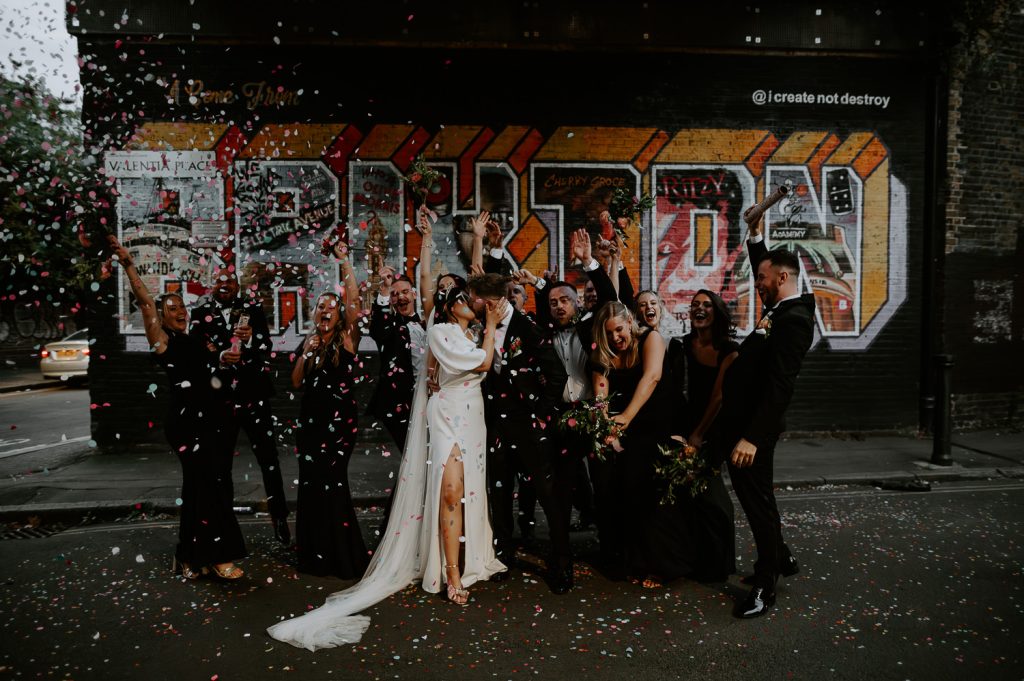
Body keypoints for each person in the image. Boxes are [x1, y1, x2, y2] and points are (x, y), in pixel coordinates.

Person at [266, 284, 507, 649]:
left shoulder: (470, 333)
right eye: (463, 299)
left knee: (468, 494)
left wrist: (477, 337)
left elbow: (470, 364)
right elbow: (484, 362)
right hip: (443, 418)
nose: (471, 304)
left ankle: (468, 557)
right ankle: (450, 573)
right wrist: (490, 325)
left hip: (471, 416)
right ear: (448, 307)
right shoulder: (443, 331)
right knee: (450, 492)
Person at [109, 237, 246, 581]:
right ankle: (217, 556)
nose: (180, 311)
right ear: (162, 317)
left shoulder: (196, 339)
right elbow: (144, 304)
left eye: (181, 306)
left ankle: (187, 556)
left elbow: (211, 370)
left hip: (214, 420)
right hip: (187, 424)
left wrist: (225, 360)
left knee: (203, 487)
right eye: (171, 309)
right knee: (209, 487)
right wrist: (128, 265)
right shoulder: (163, 341)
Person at [717, 220, 815, 618]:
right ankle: (782, 557)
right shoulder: (780, 305)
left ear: (784, 277)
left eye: (762, 277)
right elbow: (768, 265)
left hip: (754, 432)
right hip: (740, 424)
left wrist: (753, 438)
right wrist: (756, 236)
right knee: (756, 499)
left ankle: (765, 584)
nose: (757, 282)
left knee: (758, 505)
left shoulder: (793, 321)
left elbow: (780, 388)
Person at [467, 272, 573, 594]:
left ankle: (561, 561)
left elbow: (557, 374)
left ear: (493, 301)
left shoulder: (528, 328)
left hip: (529, 426)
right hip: (494, 426)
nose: (472, 305)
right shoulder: (479, 329)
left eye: (477, 300)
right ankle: (503, 554)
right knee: (498, 493)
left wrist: (542, 415)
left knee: (547, 495)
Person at [642, 289, 739, 585]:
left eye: (706, 305)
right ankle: (679, 561)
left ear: (717, 312)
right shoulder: (680, 346)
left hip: (711, 430)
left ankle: (715, 565)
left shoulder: (729, 350)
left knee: (713, 500)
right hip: (681, 426)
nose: (699, 309)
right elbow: (668, 388)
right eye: (695, 305)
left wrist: (697, 436)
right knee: (678, 498)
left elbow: (719, 397)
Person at [190, 266, 290, 545]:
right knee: (221, 464)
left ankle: (279, 517)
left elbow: (266, 346)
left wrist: (249, 340)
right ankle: (226, 525)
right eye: (219, 280)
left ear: (237, 285)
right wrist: (219, 357)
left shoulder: (252, 310)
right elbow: (195, 355)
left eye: (229, 281)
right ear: (212, 285)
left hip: (253, 394)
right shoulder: (200, 314)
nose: (225, 285)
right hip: (220, 399)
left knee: (269, 459)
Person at [290, 248, 369, 579]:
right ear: (314, 313)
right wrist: (304, 355)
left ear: (339, 317)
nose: (326, 311)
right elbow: (295, 384)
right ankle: (313, 555)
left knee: (333, 483)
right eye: (321, 307)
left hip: (339, 425)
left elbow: (353, 300)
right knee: (311, 485)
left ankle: (342, 554)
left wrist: (344, 261)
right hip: (310, 423)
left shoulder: (347, 340)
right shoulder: (308, 343)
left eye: (331, 308)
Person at [589, 301, 673, 581]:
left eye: (619, 330)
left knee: (646, 493)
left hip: (653, 426)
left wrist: (626, 416)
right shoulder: (603, 354)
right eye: (609, 333)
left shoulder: (651, 338)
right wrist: (606, 431)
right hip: (621, 430)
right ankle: (626, 560)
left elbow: (652, 377)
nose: (615, 338)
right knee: (614, 489)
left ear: (629, 322)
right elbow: (600, 397)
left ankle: (656, 564)